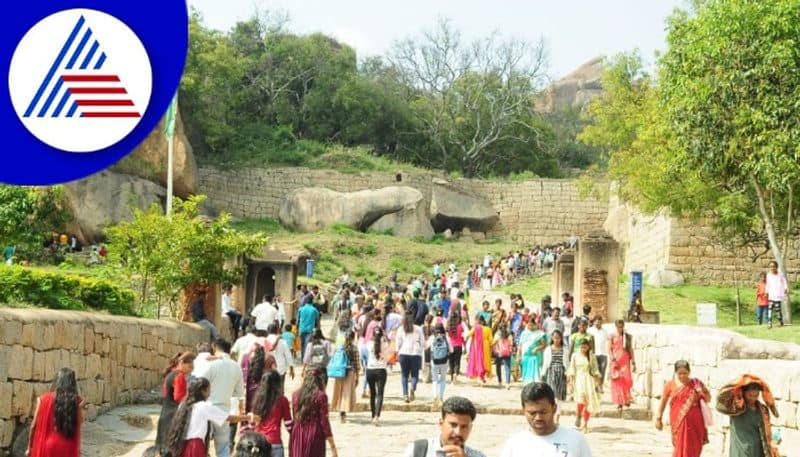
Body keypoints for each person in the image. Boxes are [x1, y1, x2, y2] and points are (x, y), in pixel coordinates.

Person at [500, 382, 592, 457]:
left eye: (543, 412)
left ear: (554, 408)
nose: (538, 418)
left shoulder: (575, 440)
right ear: (524, 411)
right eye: (532, 413)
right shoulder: (514, 445)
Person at [164, 378, 250, 457]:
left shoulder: (183, 405)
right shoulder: (203, 406)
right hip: (195, 446)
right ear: (203, 391)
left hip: (181, 445)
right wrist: (248, 417)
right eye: (209, 389)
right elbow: (228, 418)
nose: (210, 393)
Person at [196, 339, 245, 457]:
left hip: (207, 410)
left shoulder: (212, 364)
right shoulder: (236, 367)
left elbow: (198, 383)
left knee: (203, 445)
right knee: (223, 448)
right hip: (224, 412)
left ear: (214, 348)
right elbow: (238, 392)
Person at [655, 360, 711, 457]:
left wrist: (703, 392)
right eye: (679, 373)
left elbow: (708, 399)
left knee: (695, 447)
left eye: (685, 373)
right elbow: (663, 401)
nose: (682, 376)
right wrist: (658, 418)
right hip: (678, 421)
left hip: (696, 422)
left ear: (689, 372)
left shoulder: (696, 383)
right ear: (675, 373)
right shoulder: (670, 385)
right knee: (680, 446)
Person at [716, 374, 780, 457]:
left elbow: (767, 431)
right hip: (740, 452)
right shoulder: (736, 407)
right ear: (743, 392)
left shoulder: (763, 410)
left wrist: (774, 441)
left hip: (758, 451)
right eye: (750, 395)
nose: (753, 398)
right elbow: (721, 400)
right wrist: (740, 382)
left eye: (756, 395)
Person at [402, 396, 486, 457]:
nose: (458, 432)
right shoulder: (418, 451)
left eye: (464, 427)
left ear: (470, 428)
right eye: (453, 425)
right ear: (441, 424)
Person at [27, 368, 82, 457]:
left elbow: (33, 426)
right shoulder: (76, 402)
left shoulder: (42, 399)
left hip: (47, 445)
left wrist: (29, 447)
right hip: (69, 446)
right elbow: (78, 427)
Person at [290, 368, 338, 457]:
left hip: (297, 434)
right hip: (315, 434)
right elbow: (324, 422)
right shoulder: (321, 396)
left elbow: (294, 417)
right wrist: (332, 445)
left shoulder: (295, 395)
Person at [155, 352, 195, 455]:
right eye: (190, 366)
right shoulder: (179, 376)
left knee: (164, 450)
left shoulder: (170, 374)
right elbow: (179, 398)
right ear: (181, 362)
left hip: (165, 415)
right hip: (173, 418)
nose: (191, 370)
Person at [251, 371, 292, 457]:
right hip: (275, 441)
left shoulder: (257, 399)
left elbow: (252, 423)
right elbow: (288, 424)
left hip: (259, 441)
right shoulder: (282, 400)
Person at [567, 339, 601, 432]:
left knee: (588, 402)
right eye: (581, 347)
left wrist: (598, 381)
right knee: (581, 399)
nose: (583, 349)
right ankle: (578, 416)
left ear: (588, 347)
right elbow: (572, 368)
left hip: (589, 380)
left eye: (585, 347)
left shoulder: (591, 356)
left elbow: (595, 369)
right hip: (579, 380)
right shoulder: (575, 355)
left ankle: (585, 424)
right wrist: (570, 381)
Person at [330, 331, 359, 423]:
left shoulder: (339, 347)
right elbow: (357, 364)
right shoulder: (354, 348)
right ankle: (343, 412)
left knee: (339, 391)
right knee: (346, 393)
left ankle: (340, 411)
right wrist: (357, 376)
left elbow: (333, 359)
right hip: (350, 372)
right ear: (353, 338)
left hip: (339, 372)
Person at [396, 311, 425, 402]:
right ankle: (413, 387)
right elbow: (423, 342)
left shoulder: (401, 329)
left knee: (404, 375)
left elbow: (398, 343)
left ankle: (405, 395)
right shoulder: (418, 328)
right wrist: (421, 348)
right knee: (415, 374)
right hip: (415, 353)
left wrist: (397, 352)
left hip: (403, 353)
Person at [609, 319, 635, 412]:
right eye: (618, 327)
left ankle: (627, 399)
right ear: (616, 327)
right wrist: (612, 358)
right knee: (618, 381)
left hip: (625, 360)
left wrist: (633, 361)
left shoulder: (627, 336)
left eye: (622, 326)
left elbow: (630, 349)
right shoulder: (612, 336)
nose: (620, 328)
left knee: (627, 380)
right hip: (616, 360)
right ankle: (619, 402)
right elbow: (609, 349)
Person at [366, 327, 390, 425]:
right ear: (381, 334)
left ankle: (372, 415)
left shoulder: (369, 344)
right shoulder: (385, 345)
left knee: (372, 394)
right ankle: (376, 416)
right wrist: (385, 336)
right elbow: (389, 352)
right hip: (381, 370)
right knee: (380, 394)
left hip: (370, 370)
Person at [465, 315, 492, 385]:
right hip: (486, 347)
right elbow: (491, 341)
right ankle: (482, 378)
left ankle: (481, 378)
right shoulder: (488, 329)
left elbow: (468, 335)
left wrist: (465, 344)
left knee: (479, 362)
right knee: (484, 362)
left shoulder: (475, 328)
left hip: (477, 347)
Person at [542, 329, 567, 403]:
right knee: (552, 392)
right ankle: (553, 410)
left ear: (561, 339)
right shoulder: (548, 349)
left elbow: (567, 363)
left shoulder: (565, 350)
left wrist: (568, 374)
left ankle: (558, 412)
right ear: (552, 338)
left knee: (560, 392)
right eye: (555, 338)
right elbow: (545, 363)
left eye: (558, 338)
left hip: (561, 372)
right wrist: (543, 373)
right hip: (551, 372)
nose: (556, 340)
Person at [518, 319, 546, 384]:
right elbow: (520, 345)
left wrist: (537, 348)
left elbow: (543, 345)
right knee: (526, 372)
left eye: (532, 325)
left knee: (535, 374)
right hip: (525, 356)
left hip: (535, 356)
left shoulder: (539, 334)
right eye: (529, 325)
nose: (530, 326)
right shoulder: (524, 333)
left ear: (535, 325)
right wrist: (518, 356)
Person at [587, 316, 609, 393]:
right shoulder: (589, 331)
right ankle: (595, 385)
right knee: (594, 371)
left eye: (600, 322)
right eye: (597, 321)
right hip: (593, 354)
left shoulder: (605, 331)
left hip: (603, 353)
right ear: (594, 322)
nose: (598, 323)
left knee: (602, 371)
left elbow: (608, 341)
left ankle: (600, 385)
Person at [765, 260, 788, 328]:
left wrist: (786, 288)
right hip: (771, 295)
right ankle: (769, 323)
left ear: (776, 267)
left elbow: (784, 281)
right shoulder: (768, 275)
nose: (772, 268)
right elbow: (767, 284)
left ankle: (780, 322)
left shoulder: (780, 274)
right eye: (771, 267)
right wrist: (766, 292)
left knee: (778, 310)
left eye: (774, 267)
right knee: (769, 309)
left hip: (778, 294)